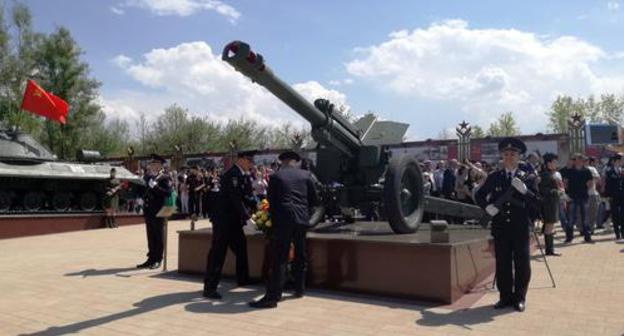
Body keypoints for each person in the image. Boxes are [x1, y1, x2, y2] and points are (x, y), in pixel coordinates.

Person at [249, 150, 319, 309]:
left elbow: (272, 203)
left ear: (282, 162)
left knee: (280, 257)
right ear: (296, 161)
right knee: (300, 254)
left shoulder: (275, 177)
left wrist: (273, 223)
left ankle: (272, 297)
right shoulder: (306, 175)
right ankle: (300, 289)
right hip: (302, 219)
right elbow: (314, 200)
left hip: (283, 220)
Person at [475, 137, 538, 312]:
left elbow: (537, 202)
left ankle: (520, 297)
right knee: (502, 263)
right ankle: (505, 297)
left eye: (513, 154)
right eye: (506, 154)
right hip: (501, 227)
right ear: (502, 156)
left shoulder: (529, 177)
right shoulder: (495, 177)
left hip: (520, 227)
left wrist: (526, 192)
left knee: (522, 263)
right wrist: (487, 207)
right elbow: (479, 195)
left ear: (519, 156)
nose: (509, 157)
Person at [203, 150, 258, 299]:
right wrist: (247, 217)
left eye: (252, 161)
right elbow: (235, 199)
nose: (251, 164)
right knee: (218, 253)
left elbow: (247, 197)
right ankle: (209, 288)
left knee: (241, 248)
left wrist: (260, 208)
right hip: (223, 221)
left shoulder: (243, 175)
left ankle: (243, 279)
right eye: (249, 160)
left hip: (234, 221)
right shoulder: (232, 174)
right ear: (240, 160)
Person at [137, 154, 173, 269]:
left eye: (155, 164)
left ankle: (158, 259)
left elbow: (167, 193)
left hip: (159, 210)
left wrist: (156, 187)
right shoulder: (148, 177)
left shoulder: (165, 177)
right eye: (152, 164)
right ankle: (151, 258)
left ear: (160, 165)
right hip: (148, 209)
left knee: (158, 235)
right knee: (150, 235)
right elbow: (143, 190)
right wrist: (140, 198)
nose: (152, 166)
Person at [564, 153, 594, 243]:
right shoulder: (569, 171)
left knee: (585, 217)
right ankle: (569, 236)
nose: (580, 161)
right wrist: (567, 193)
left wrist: (585, 189)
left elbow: (590, 183)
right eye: (577, 159)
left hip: (584, 196)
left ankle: (587, 236)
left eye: (581, 159)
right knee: (571, 217)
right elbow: (565, 182)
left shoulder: (587, 171)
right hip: (572, 196)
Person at [538, 153, 562, 256]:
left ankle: (550, 248)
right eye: (554, 162)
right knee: (549, 225)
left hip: (552, 202)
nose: (556, 164)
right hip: (548, 203)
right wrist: (556, 192)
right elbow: (543, 190)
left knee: (550, 226)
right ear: (548, 163)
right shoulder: (545, 175)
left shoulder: (551, 174)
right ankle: (549, 249)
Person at [605, 153, 624, 241]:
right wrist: (608, 196)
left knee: (623, 215)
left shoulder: (622, 171)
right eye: (621, 160)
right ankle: (617, 233)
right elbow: (608, 185)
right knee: (615, 215)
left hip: (622, 196)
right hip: (614, 196)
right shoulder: (609, 171)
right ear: (617, 161)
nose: (622, 162)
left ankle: (623, 232)